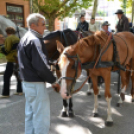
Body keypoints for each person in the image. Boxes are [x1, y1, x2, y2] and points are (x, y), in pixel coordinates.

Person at [17, 13, 59, 134]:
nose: (45, 27)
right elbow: (41, 66)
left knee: (30, 114)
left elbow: (32, 60)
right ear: (33, 25)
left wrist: (50, 62)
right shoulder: (35, 40)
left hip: (27, 82)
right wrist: (53, 81)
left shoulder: (25, 38)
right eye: (43, 25)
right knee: (41, 116)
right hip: (36, 83)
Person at [0, 27, 23, 98]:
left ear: (7, 32)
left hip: (11, 59)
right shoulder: (17, 39)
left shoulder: (8, 39)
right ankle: (19, 91)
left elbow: (7, 50)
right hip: (18, 59)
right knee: (18, 75)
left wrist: (1, 47)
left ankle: (5, 93)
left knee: (6, 76)